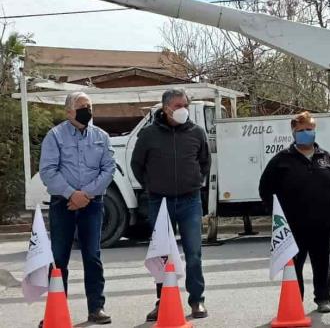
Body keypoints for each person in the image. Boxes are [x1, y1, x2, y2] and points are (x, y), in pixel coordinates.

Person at [259, 111, 330, 313]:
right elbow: (265, 189)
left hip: (324, 224)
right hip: (293, 226)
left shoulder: (328, 159)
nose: (305, 133)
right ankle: (294, 301)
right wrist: (276, 217)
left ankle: (323, 299)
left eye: (309, 129)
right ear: (293, 132)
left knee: (322, 263)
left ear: (315, 130)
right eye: (300, 130)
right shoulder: (281, 161)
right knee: (293, 264)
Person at [131, 89, 211, 321]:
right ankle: (163, 301)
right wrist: (151, 186)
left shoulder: (197, 133)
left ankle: (197, 301)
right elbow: (137, 165)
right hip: (160, 201)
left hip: (190, 200)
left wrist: (195, 181)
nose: (182, 109)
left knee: (194, 253)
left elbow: (205, 162)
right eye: (177, 106)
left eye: (185, 104)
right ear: (165, 108)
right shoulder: (148, 134)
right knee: (162, 254)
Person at [39, 91, 115, 325]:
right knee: (58, 258)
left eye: (89, 106)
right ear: (69, 111)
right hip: (63, 203)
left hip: (93, 204)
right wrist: (72, 194)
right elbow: (48, 171)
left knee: (92, 256)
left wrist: (87, 194)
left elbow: (109, 169)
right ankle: (56, 310)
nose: (88, 111)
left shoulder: (101, 136)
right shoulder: (55, 136)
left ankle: (96, 308)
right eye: (82, 106)